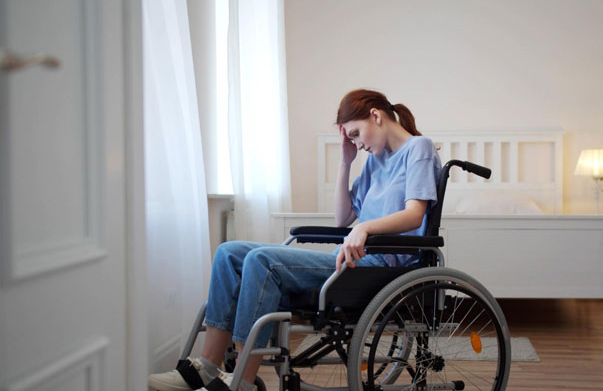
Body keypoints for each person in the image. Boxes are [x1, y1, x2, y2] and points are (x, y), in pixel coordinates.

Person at [147, 89, 442, 391]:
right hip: (351, 260)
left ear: (376, 116)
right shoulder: (375, 160)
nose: (357, 143)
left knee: (262, 262)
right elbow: (342, 218)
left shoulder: (419, 148)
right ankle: (207, 367)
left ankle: (240, 382)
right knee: (228, 253)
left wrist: (365, 229)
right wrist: (345, 162)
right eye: (351, 139)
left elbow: (414, 214)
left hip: (378, 268)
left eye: (355, 134)